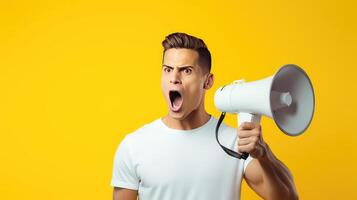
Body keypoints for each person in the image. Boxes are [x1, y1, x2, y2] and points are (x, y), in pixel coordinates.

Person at [111, 32, 299, 200]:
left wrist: (264, 154)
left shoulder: (235, 143)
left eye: (186, 71)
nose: (174, 78)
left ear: (207, 81)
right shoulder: (134, 146)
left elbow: (289, 198)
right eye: (168, 69)